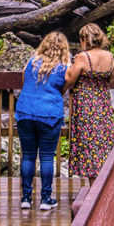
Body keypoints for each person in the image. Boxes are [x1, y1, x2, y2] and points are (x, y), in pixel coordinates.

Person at [15, 31, 78, 210]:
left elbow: (24, 83)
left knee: (27, 155)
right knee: (47, 157)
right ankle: (45, 198)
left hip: (25, 111)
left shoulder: (31, 63)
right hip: (49, 114)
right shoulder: (65, 67)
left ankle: (26, 198)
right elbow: (63, 90)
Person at [67, 23, 114, 183]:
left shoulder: (83, 57)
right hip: (103, 104)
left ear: (84, 40)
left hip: (86, 106)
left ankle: (93, 187)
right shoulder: (110, 56)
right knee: (103, 143)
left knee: (88, 146)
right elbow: (111, 79)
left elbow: (70, 79)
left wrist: (69, 65)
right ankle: (103, 185)